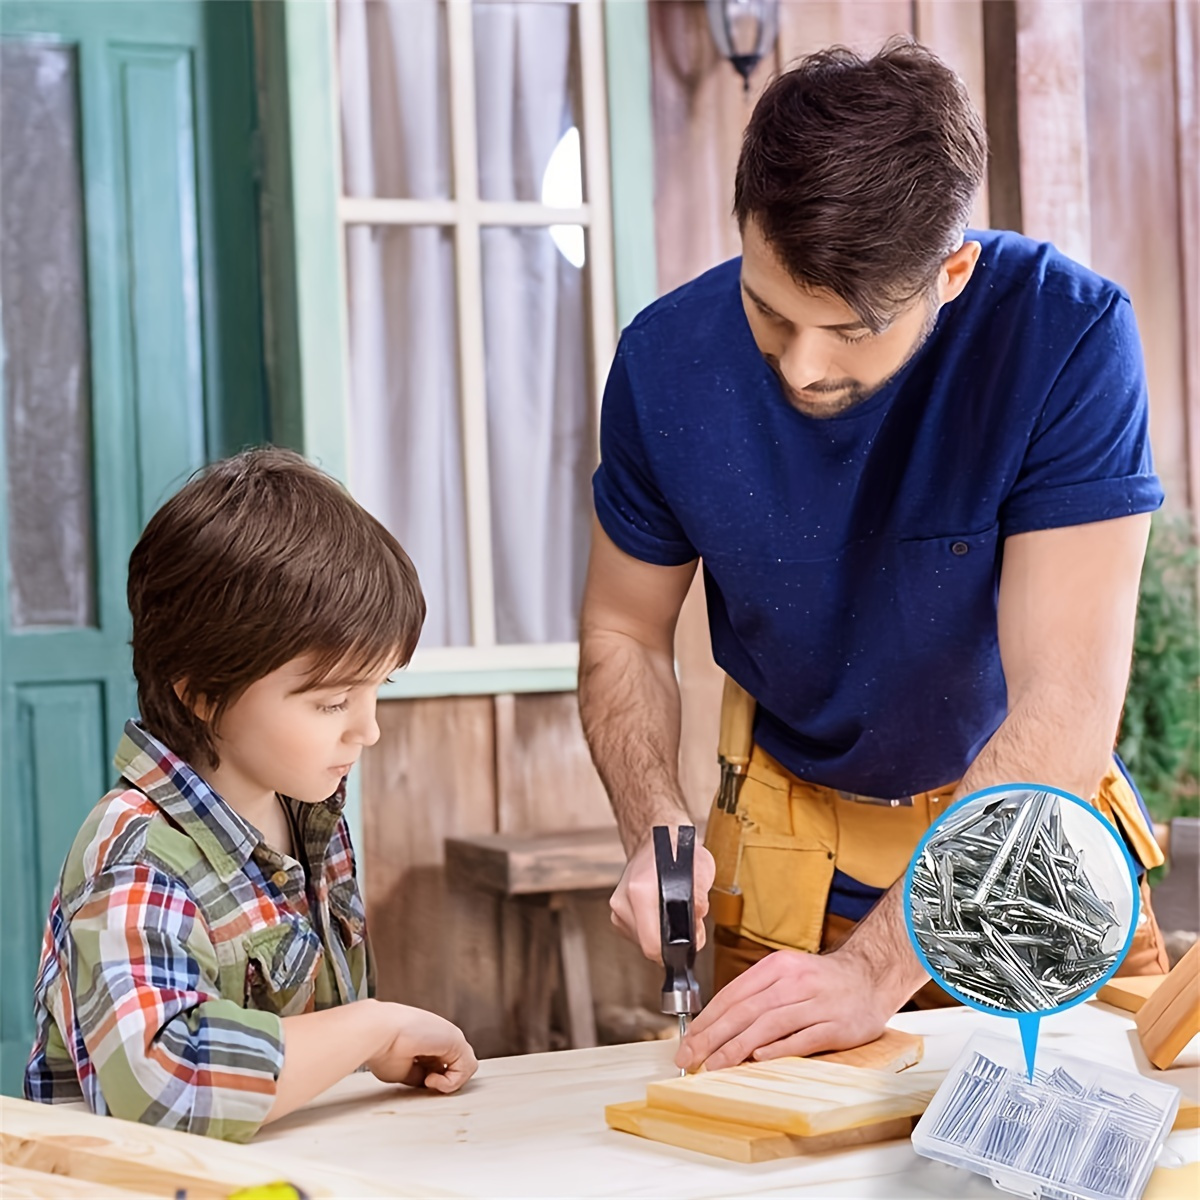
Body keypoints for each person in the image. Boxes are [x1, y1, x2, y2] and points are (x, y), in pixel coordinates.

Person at [578, 40, 1169, 1075]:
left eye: (849, 331)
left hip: (1022, 847)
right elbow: (623, 630)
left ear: (951, 273)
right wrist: (657, 831)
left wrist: (875, 970)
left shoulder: (1066, 337)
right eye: (770, 313)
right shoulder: (662, 363)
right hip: (788, 850)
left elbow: (1066, 703)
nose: (802, 367)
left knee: (1109, 1145)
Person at [25, 448, 477, 1141]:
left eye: (377, 689)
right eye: (332, 703)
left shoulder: (307, 813)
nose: (369, 729)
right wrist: (371, 1027)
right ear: (203, 691)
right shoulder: (137, 856)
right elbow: (165, 1090)